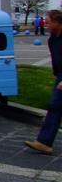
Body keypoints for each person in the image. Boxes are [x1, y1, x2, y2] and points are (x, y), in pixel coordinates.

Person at [25, 9, 62, 155]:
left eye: (49, 22)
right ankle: (44, 142)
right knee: (55, 107)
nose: (46, 24)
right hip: (60, 76)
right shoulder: (53, 39)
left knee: (55, 105)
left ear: (58, 22)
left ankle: (44, 142)